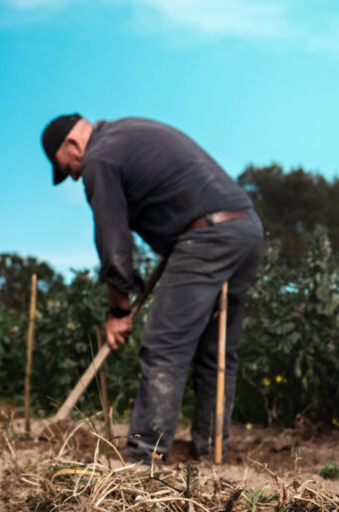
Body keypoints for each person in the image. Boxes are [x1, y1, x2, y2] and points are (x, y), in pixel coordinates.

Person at [41, 114, 264, 462]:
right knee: (216, 352)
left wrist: (118, 311)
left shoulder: (99, 158)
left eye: (65, 167)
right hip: (245, 231)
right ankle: (211, 451)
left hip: (206, 236)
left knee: (164, 346)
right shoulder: (128, 131)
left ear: (72, 145)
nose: (72, 176)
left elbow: (113, 242)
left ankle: (145, 457)